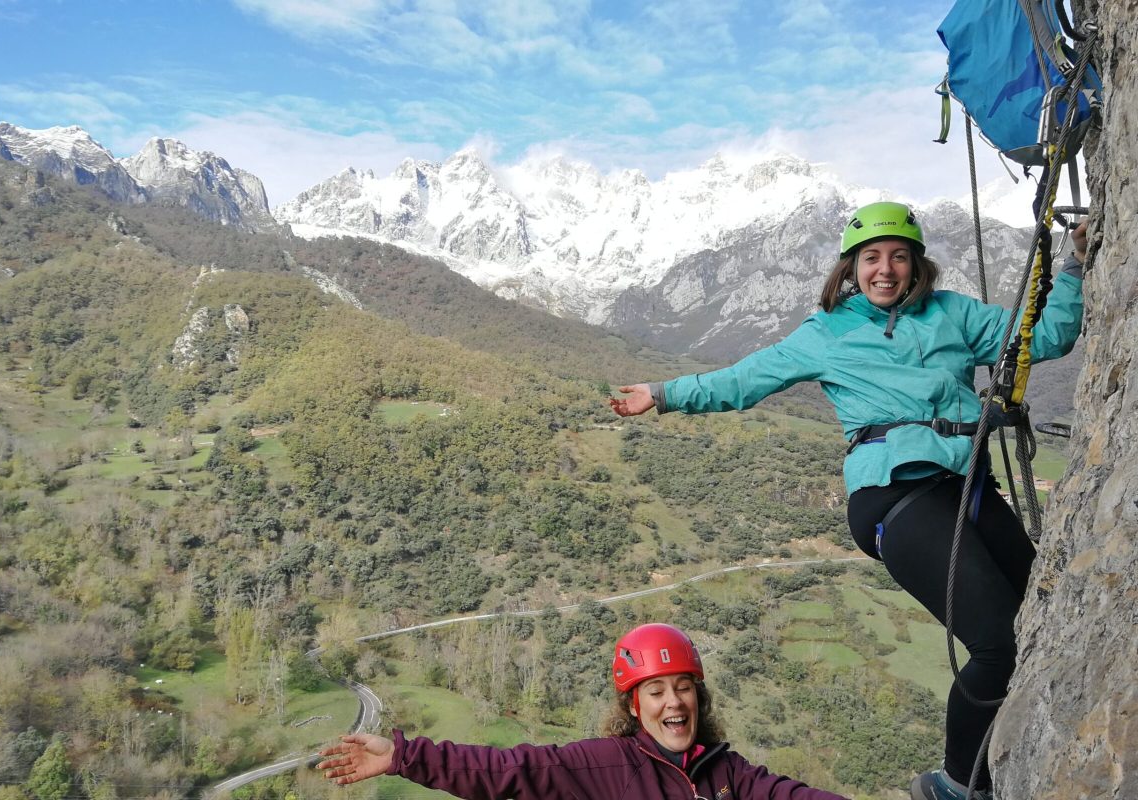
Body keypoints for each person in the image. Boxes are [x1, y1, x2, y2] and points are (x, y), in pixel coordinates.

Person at [610, 202, 1087, 800]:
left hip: (967, 486)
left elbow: (1043, 338)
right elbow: (743, 379)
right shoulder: (827, 333)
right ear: (850, 268)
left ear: (917, 265)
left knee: (1039, 614)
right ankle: (956, 785)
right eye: (871, 259)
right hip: (895, 494)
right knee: (997, 640)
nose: (884, 270)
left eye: (897, 257)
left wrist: (1072, 268)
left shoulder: (954, 315)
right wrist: (662, 393)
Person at [317, 622, 848, 799]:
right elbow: (507, 773)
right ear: (635, 705)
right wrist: (405, 757)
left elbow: (790, 796)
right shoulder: (607, 764)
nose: (673, 702)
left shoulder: (727, 772)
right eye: (656, 691)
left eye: (682, 687)